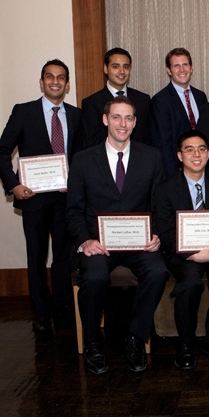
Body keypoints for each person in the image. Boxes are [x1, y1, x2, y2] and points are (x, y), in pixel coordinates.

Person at [66, 96, 170, 375]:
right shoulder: (82, 160)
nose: (122, 124)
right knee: (95, 276)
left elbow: (159, 205)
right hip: (99, 245)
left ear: (135, 123)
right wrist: (85, 241)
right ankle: (92, 343)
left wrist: (158, 234)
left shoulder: (152, 156)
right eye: (116, 117)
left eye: (128, 118)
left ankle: (135, 339)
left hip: (140, 244)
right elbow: (73, 210)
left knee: (159, 271)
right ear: (105, 119)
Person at [0, 59, 81, 333]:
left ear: (67, 84)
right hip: (33, 199)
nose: (55, 81)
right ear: (41, 82)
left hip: (65, 200)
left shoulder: (77, 115)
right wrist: (13, 185)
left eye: (60, 77)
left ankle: (61, 308)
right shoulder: (24, 112)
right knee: (35, 257)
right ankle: (41, 313)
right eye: (49, 77)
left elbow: (82, 158)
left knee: (63, 258)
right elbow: (2, 151)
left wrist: (76, 183)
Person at [155, 129, 209, 370]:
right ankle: (185, 343)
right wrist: (192, 254)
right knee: (190, 283)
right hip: (183, 254)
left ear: (208, 154)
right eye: (189, 149)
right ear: (179, 156)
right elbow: (165, 233)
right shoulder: (165, 188)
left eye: (202, 149)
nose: (196, 154)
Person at [79, 47, 152, 150]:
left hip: (138, 161)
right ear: (105, 68)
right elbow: (90, 144)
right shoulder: (92, 103)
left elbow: (147, 139)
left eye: (126, 67)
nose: (122, 71)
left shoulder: (143, 100)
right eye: (115, 66)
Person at [151, 47, 208, 177]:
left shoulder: (201, 97)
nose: (182, 70)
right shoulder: (160, 101)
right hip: (176, 171)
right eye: (176, 66)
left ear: (191, 68)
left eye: (185, 65)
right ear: (168, 70)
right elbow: (163, 144)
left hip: (202, 168)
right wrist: (175, 176)